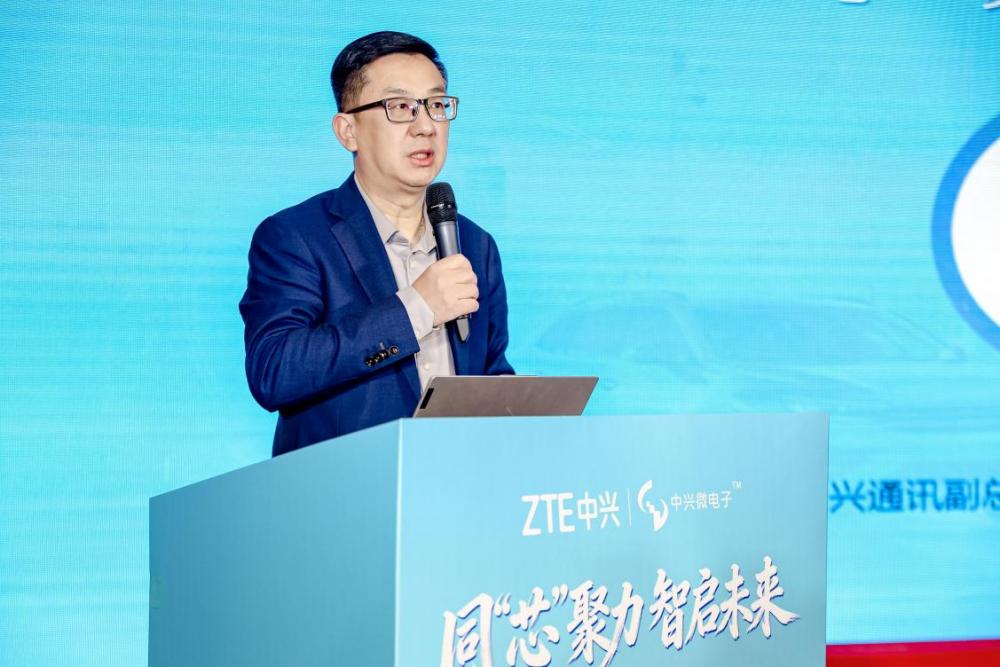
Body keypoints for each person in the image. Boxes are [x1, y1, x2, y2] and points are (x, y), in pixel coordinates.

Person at [239, 31, 514, 457]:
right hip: (342, 487)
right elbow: (274, 371)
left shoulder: (475, 245)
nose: (426, 126)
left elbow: (490, 372)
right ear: (348, 131)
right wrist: (417, 308)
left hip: (453, 482)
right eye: (400, 107)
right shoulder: (296, 237)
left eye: (436, 104)